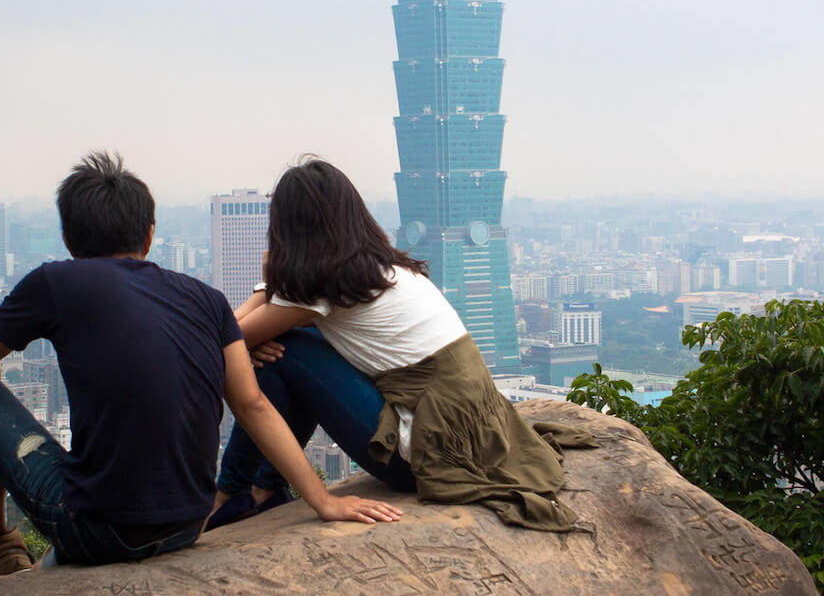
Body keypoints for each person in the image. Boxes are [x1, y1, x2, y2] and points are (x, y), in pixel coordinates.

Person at [0, 151, 402, 576]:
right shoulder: (206, 299)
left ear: (68, 239)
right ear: (149, 234)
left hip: (97, 530)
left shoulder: (54, 282)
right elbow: (254, 406)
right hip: (189, 524)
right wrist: (322, 501)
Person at [210, 158, 589, 533]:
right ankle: (260, 488)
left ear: (288, 228)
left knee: (286, 349)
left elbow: (226, 339)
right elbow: (242, 335)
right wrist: (266, 310)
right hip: (470, 436)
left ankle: (235, 492)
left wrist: (267, 292)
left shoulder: (324, 283)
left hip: (426, 454)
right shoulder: (378, 268)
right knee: (287, 342)